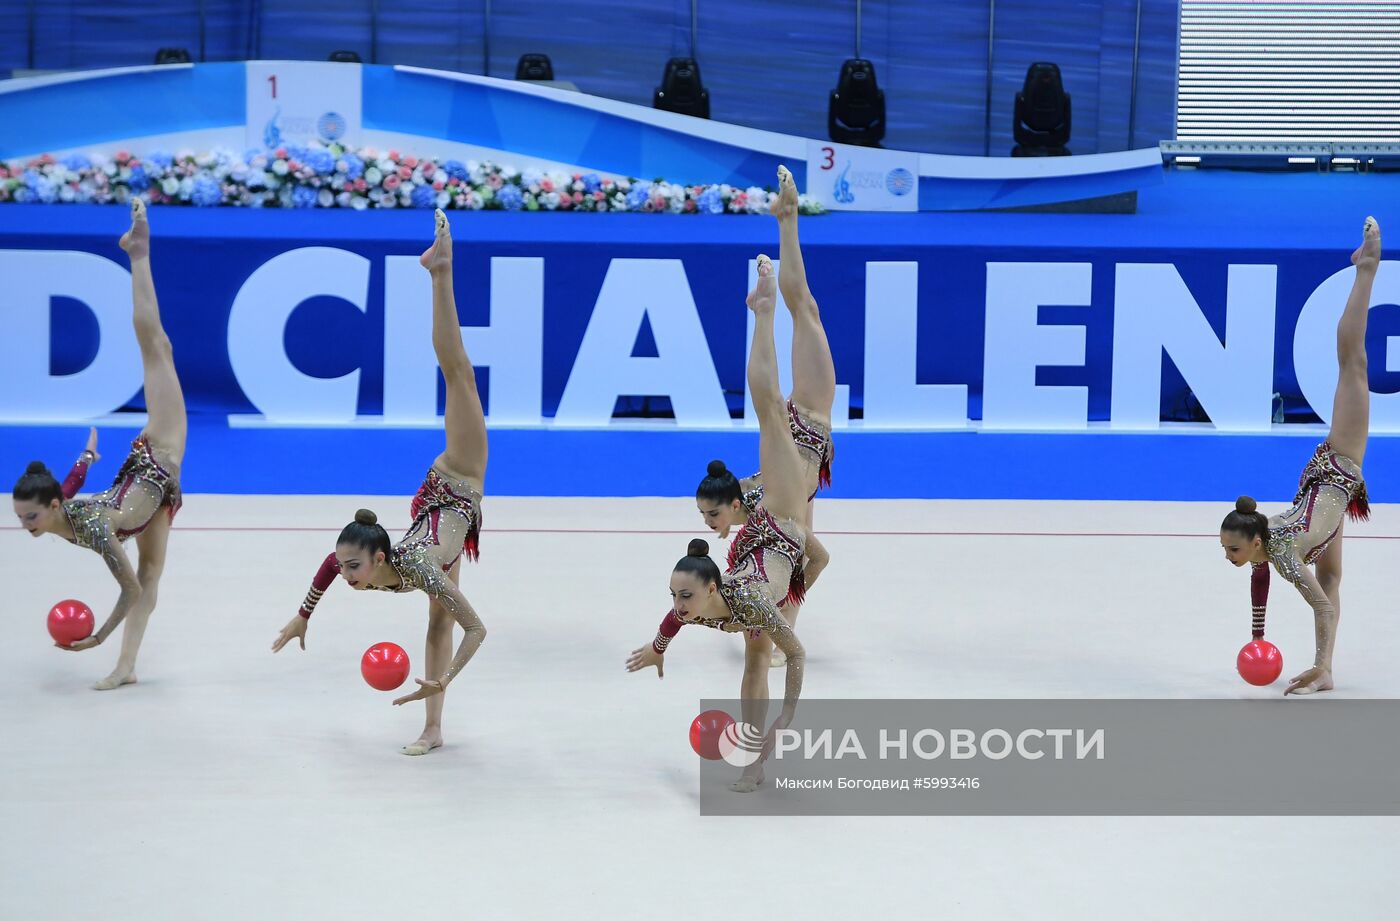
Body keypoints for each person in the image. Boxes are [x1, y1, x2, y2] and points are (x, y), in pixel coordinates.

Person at [272, 209, 488, 754]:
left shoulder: (410, 565)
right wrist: (303, 615)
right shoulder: (369, 562)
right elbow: (327, 565)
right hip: (442, 524)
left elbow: (478, 630)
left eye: (353, 566)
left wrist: (447, 677)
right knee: (435, 625)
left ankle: (442, 269)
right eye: (347, 565)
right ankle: (434, 729)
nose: (345, 574)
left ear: (378, 559)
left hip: (459, 478)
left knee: (456, 370)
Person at [11, 199, 186, 690]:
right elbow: (70, 485)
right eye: (22, 516)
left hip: (159, 454)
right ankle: (127, 668)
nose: (24, 525)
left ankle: (138, 253)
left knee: (157, 345)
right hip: (152, 500)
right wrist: (87, 457)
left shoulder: (88, 528)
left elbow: (123, 589)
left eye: (29, 516)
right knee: (153, 576)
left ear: (47, 508)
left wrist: (98, 636)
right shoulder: (62, 509)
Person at [1219, 217, 1380, 695]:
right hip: (1323, 498)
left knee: (1353, 360)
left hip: (1338, 465)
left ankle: (1367, 268)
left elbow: (1319, 608)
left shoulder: (1284, 554)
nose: (1229, 556)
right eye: (1226, 548)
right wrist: (1257, 633)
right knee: (1330, 577)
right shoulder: (1264, 544)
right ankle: (1328, 671)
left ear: (1252, 542)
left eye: (1233, 549)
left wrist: (1310, 659)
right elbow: (1260, 580)